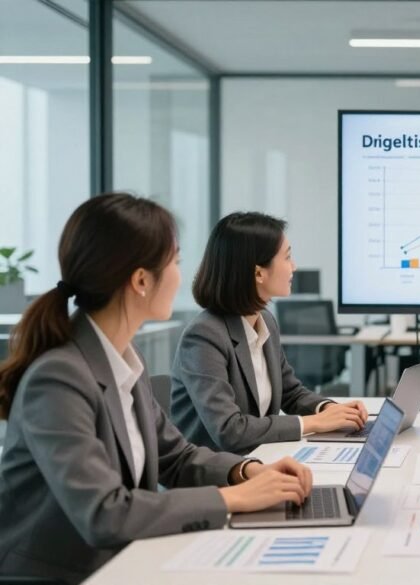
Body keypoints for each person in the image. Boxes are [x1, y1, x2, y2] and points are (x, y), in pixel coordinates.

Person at [0, 194, 313, 584]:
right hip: (61, 576)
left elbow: (177, 458)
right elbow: (105, 513)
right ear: (141, 281)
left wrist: (245, 471)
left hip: (121, 562)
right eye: (176, 263)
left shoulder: (123, 360)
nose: (182, 276)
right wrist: (233, 498)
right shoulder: (59, 378)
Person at [171, 212, 367, 455]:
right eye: (287, 257)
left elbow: (290, 392)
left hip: (258, 458)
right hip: (217, 472)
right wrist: (313, 423)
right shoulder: (204, 336)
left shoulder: (265, 321)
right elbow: (230, 431)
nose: (293, 266)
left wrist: (328, 409)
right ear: (258, 273)